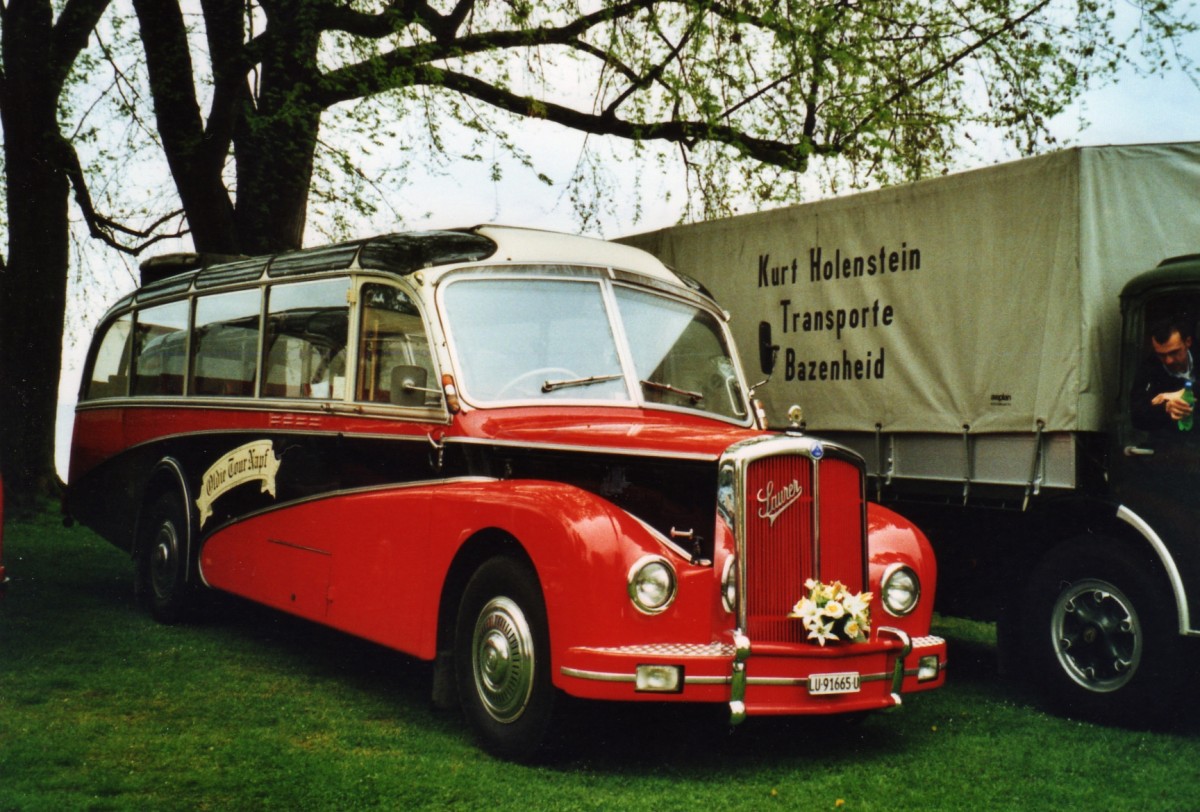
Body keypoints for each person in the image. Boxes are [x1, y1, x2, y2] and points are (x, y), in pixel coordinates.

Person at [1131, 317, 1196, 431]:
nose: (1168, 361)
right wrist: (1165, 408)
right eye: (1162, 355)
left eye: (1174, 352)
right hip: (1171, 440)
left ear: (1188, 342)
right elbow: (1136, 417)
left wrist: (1186, 392)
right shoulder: (1149, 367)